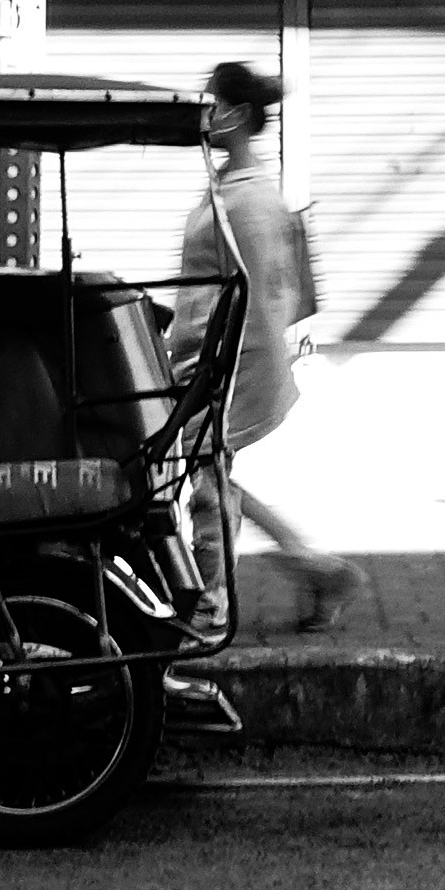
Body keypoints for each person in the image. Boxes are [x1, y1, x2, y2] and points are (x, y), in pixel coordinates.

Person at [171, 61, 363, 632]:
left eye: (213, 103)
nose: (205, 113)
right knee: (212, 480)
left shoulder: (251, 200)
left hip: (226, 369)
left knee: (206, 490)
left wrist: (223, 383)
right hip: (202, 363)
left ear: (238, 115)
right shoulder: (227, 186)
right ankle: (319, 572)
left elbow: (255, 304)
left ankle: (212, 609)